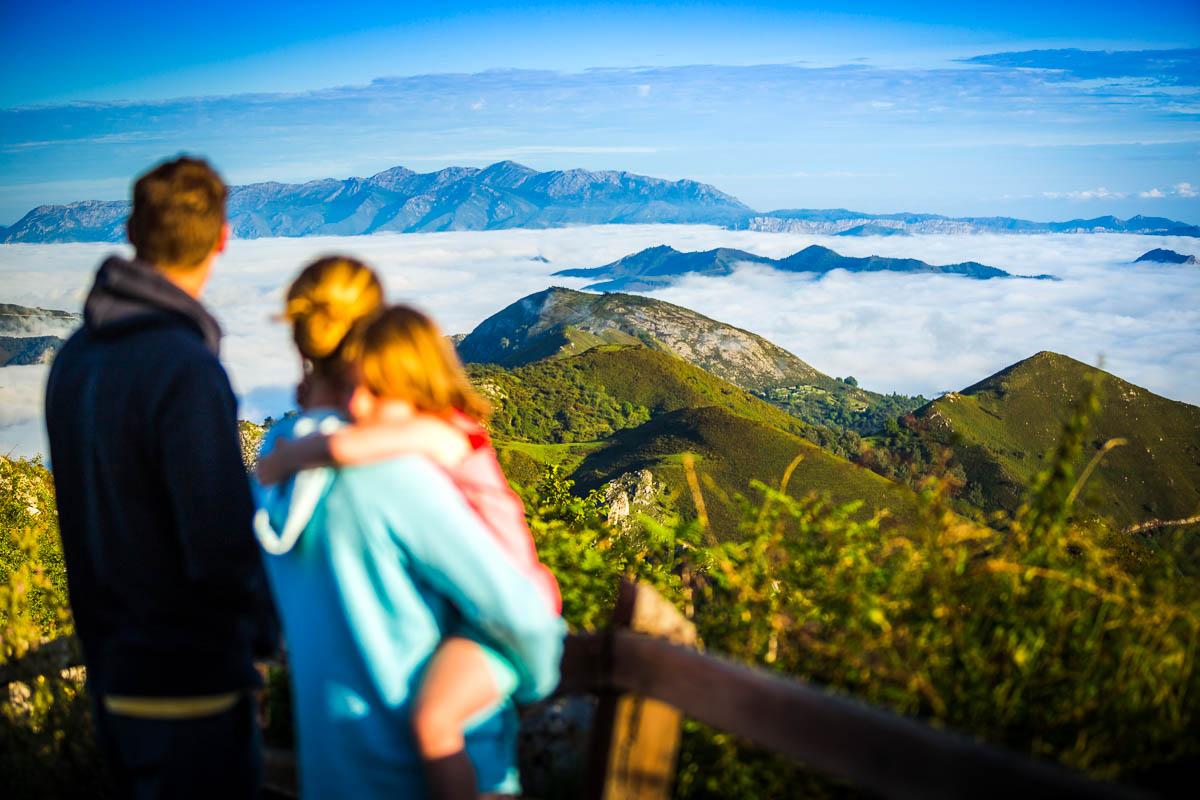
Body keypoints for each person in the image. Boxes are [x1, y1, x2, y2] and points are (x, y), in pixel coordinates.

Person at [254, 258, 564, 799]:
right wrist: (535, 681)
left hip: (335, 776)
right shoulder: (392, 472)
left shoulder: (273, 465)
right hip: (433, 775)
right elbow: (523, 617)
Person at [44, 156, 279, 799]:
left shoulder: (73, 359)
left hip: (114, 674)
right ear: (224, 238)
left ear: (131, 229)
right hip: (190, 680)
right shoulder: (184, 369)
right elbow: (217, 537)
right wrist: (260, 645)